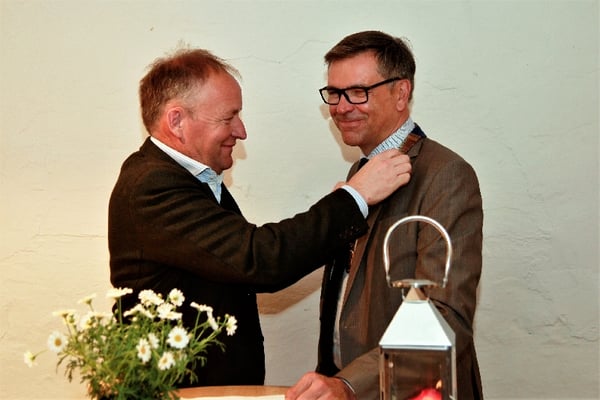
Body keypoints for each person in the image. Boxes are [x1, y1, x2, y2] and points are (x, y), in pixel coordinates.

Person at [108, 47, 412, 387]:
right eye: (228, 118)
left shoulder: (190, 178)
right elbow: (260, 258)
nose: (241, 131)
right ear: (177, 121)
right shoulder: (152, 185)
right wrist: (354, 198)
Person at [286, 31, 484, 400]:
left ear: (401, 93)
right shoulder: (360, 173)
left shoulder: (446, 175)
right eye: (334, 93)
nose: (341, 107)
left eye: (358, 92)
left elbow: (443, 318)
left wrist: (349, 384)